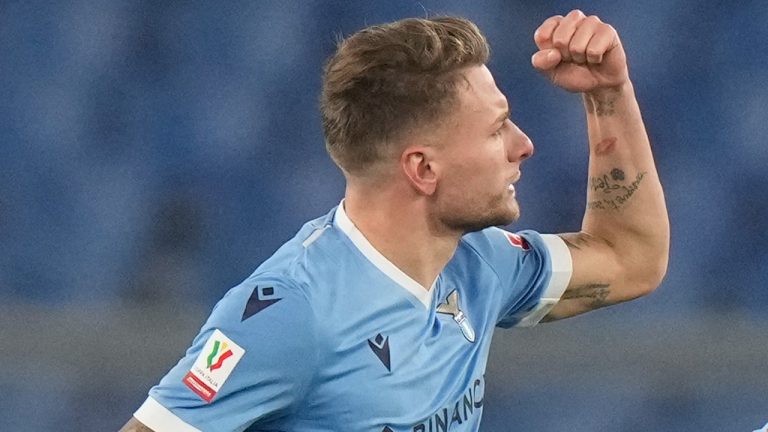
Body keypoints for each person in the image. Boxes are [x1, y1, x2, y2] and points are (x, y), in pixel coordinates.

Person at [120, 9, 669, 432]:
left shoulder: (480, 261)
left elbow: (631, 258)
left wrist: (607, 94)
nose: (523, 145)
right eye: (496, 128)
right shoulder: (289, 314)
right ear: (423, 169)